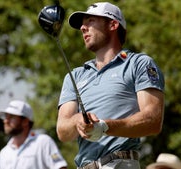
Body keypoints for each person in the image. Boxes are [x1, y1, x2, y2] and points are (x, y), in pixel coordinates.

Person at [56, 2, 165, 169]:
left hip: (120, 163)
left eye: (90, 21)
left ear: (113, 24)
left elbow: (153, 120)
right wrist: (79, 120)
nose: (83, 28)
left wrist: (105, 126)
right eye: (82, 24)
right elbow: (63, 131)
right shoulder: (76, 75)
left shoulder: (138, 63)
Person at [0, 100, 67, 169]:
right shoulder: (3, 153)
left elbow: (60, 167)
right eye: (6, 117)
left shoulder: (43, 142)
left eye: (12, 117)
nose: (6, 121)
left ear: (25, 121)